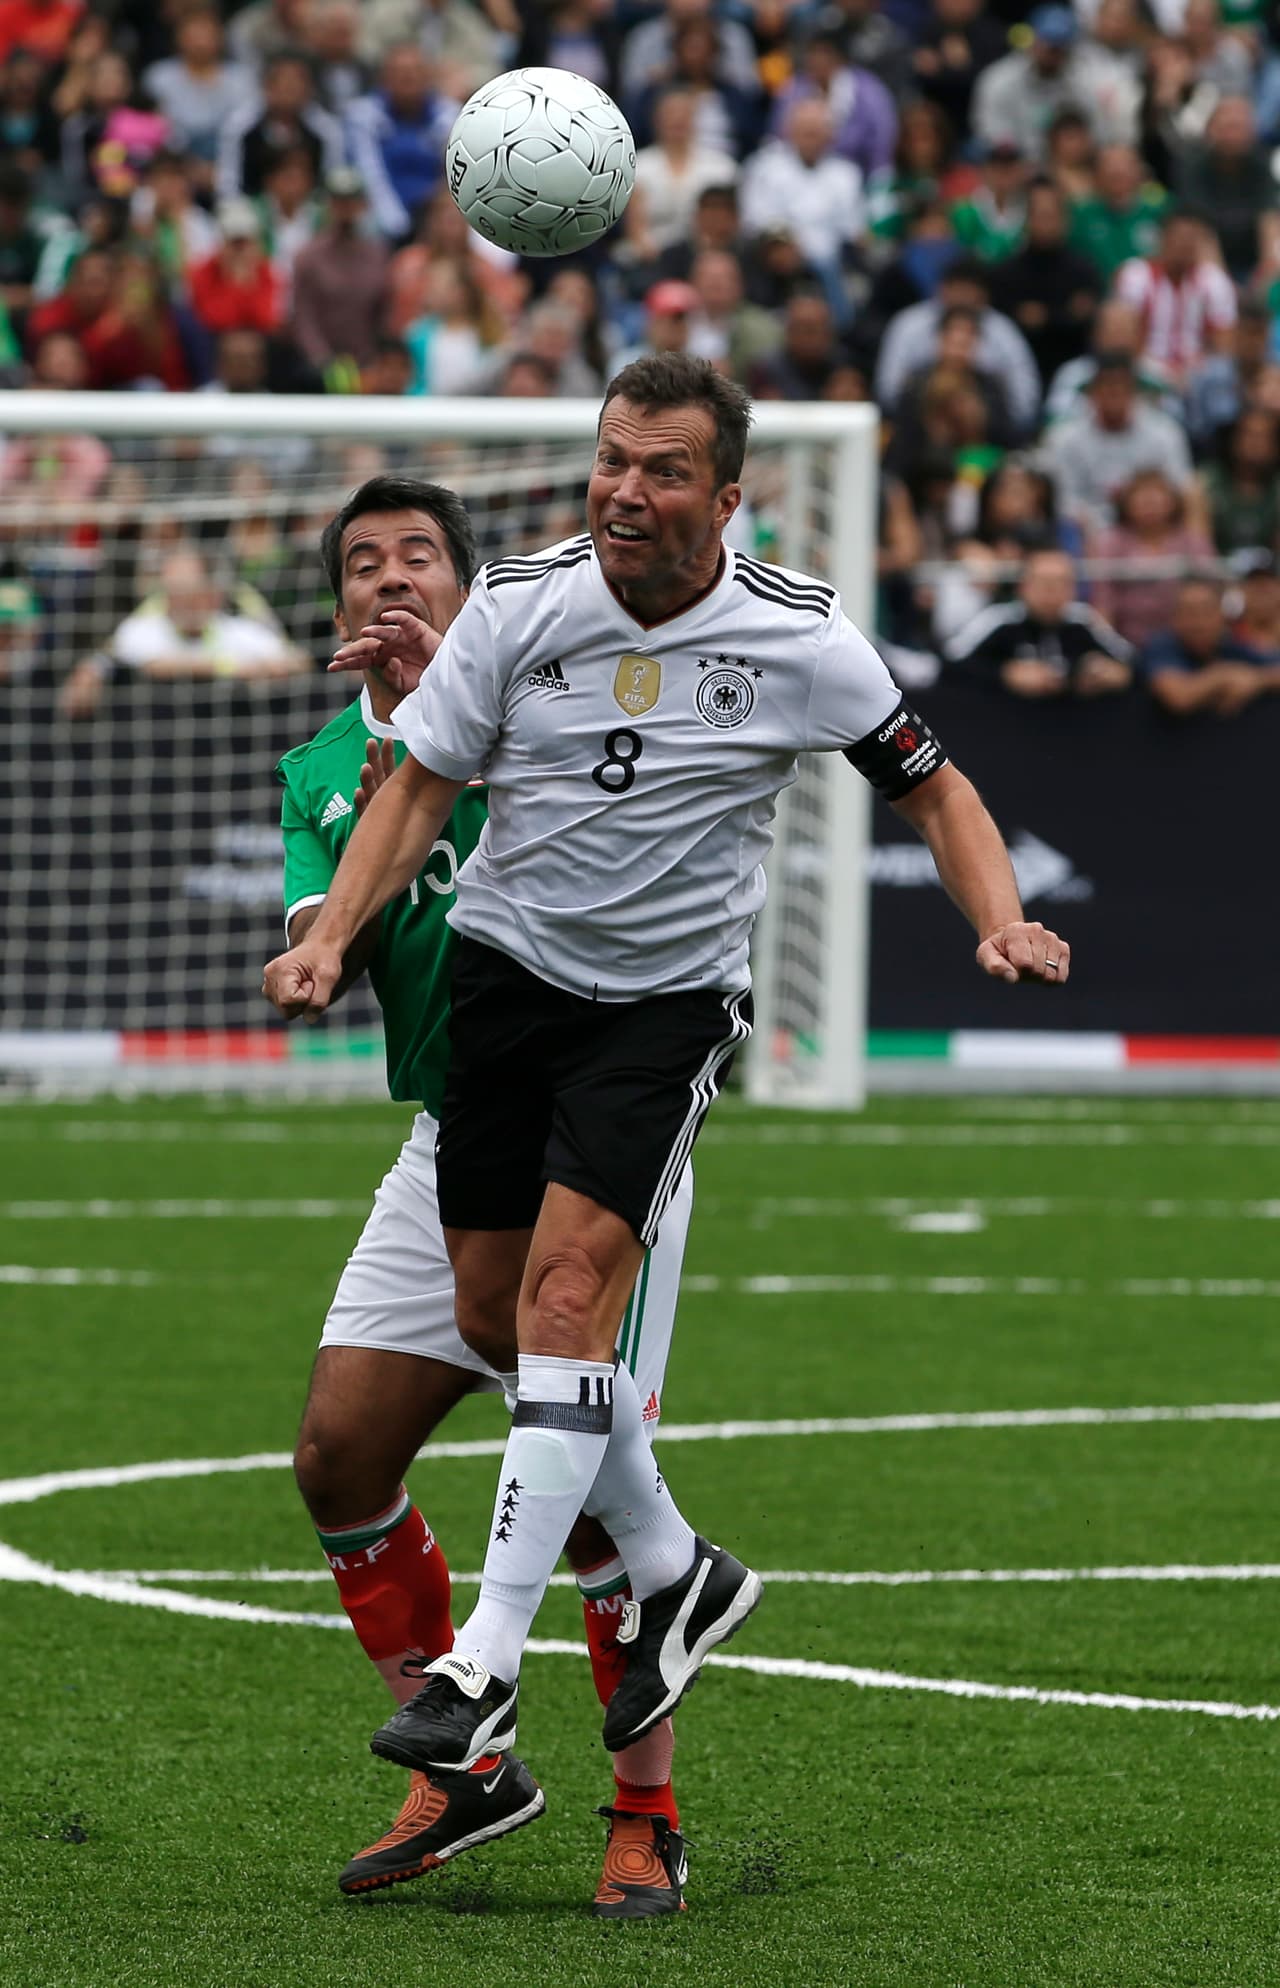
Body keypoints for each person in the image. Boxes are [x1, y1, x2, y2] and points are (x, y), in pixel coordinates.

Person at [262, 354, 1070, 1870]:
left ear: (728, 492)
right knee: (498, 1319)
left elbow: (937, 789)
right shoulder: (520, 604)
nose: (627, 491)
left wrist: (1000, 916)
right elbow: (419, 788)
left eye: (664, 469)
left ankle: (497, 1685)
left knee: (563, 1313)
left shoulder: (803, 633)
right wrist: (321, 939)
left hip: (659, 1018)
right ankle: (678, 1566)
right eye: (612, 460)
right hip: (505, 999)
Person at [276, 472, 696, 1915]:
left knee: (579, 1490)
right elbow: (355, 935)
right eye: (361, 563)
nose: (388, 579)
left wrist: (444, 713)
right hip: (451, 1142)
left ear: (474, 591)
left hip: (593, 1140)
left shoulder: (552, 700)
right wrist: (397, 741)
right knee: (338, 1454)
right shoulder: (325, 768)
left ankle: (647, 1813)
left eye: (417, 557)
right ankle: (468, 1766)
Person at [59, 545, 306, 717]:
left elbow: (298, 661)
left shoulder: (237, 630)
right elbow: (151, 664)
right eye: (173, 591)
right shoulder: (142, 629)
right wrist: (231, 668)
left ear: (212, 593)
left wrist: (272, 669)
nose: (182, 601)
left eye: (189, 591)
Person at [944, 546, 1133, 696]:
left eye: (1061, 582)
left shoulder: (1084, 621)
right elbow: (948, 662)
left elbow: (1132, 660)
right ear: (1022, 586)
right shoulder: (999, 620)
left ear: (1074, 589)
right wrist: (1005, 674)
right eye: (1043, 582)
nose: (1051, 591)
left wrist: (1117, 673)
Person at [1043, 352, 1195, 531]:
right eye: (1107, 386)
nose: (1114, 393)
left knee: (1194, 494)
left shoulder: (1165, 433)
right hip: (1086, 528)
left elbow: (1178, 488)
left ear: (1134, 392)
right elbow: (1060, 498)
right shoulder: (1064, 438)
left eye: (1121, 387)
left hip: (1149, 524)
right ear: (1092, 393)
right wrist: (1092, 522)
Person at [1139, 575, 1280, 716]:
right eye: (1189, 613)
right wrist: (1225, 675)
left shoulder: (1229, 645)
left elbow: (1273, 667)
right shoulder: (1162, 646)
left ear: (1221, 616)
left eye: (1206, 611)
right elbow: (1178, 697)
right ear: (1174, 619)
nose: (1199, 623)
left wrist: (1258, 681)